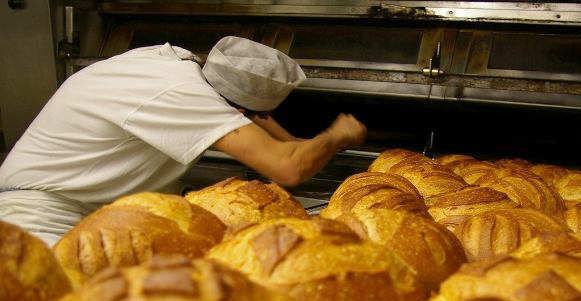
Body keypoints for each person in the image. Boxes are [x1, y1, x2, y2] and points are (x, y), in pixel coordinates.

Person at [0, 36, 366, 246]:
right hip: (37, 216)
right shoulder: (182, 94)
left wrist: (312, 142)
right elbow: (287, 166)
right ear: (235, 108)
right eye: (244, 115)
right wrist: (336, 136)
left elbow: (271, 129)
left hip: (88, 212)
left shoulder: (177, 66)